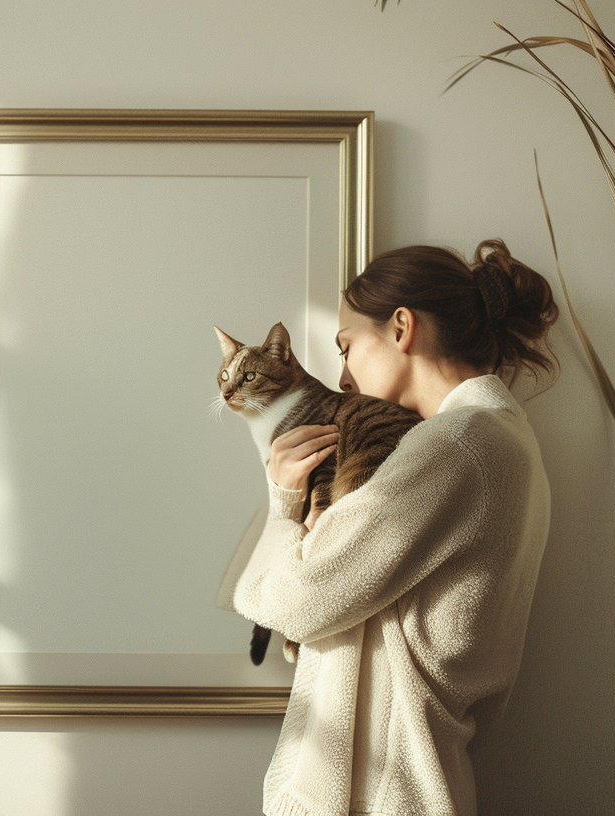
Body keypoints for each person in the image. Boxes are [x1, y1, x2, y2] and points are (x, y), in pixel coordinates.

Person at [231, 239, 558, 816]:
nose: (342, 374)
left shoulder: (456, 445)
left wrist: (284, 499)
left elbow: (297, 601)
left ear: (402, 327)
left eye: (347, 346)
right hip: (413, 780)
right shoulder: (502, 436)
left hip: (383, 792)